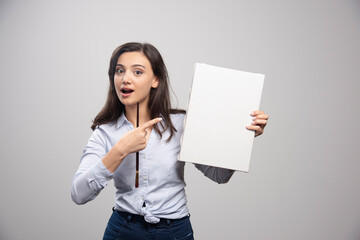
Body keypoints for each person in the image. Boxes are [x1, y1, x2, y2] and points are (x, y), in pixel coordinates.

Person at [71, 42, 269, 240]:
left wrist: (242, 137)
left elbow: (219, 175)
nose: (125, 79)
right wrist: (120, 150)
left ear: (155, 80)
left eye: (137, 72)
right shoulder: (104, 132)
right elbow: (79, 194)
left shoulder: (181, 124)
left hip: (175, 231)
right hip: (123, 230)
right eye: (119, 71)